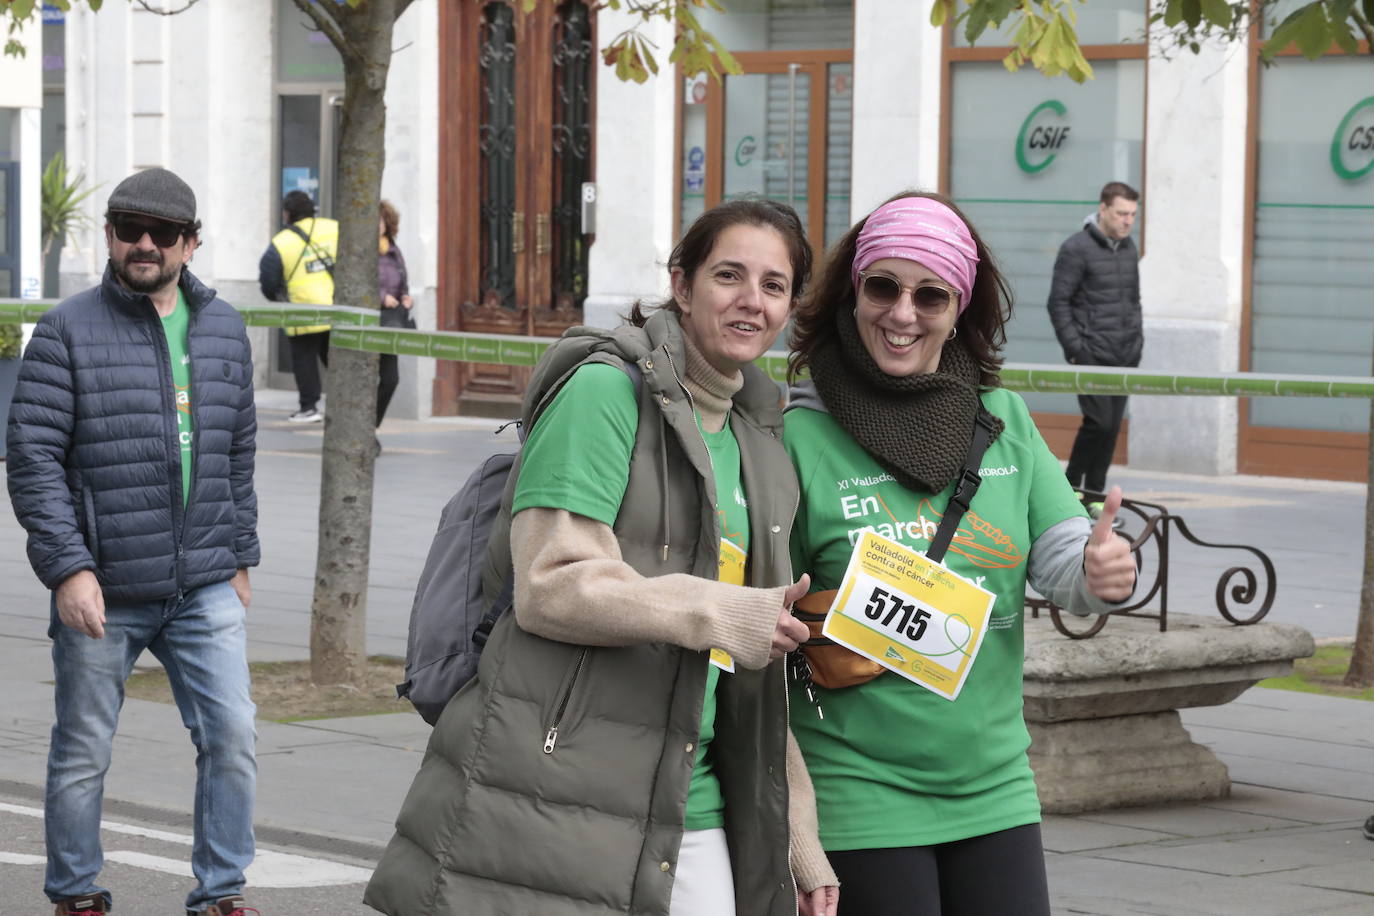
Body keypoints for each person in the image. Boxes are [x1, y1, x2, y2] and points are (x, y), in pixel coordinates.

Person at [364, 198, 840, 916]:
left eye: (774, 286)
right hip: (561, 789)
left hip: (695, 798)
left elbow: (749, 675)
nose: (752, 301)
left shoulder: (760, 438)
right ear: (682, 285)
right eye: (729, 276)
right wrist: (717, 609)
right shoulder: (605, 392)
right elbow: (552, 583)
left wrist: (798, 841)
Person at [783, 191, 1137, 915]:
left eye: (930, 295)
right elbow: (759, 608)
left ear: (959, 307)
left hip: (995, 782)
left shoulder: (1000, 415)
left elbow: (1062, 554)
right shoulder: (795, 433)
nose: (902, 313)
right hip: (857, 785)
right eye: (883, 286)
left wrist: (1101, 572)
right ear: (854, 289)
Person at [6, 168, 260, 916]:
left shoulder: (225, 329)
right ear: (110, 236)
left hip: (204, 584)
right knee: (83, 752)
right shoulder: (64, 330)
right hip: (102, 587)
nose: (143, 243)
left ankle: (221, 895)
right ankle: (76, 894)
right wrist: (68, 568)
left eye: (162, 232)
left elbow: (238, 449)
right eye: (127, 228)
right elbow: (32, 458)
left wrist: (240, 556)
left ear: (191, 243)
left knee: (233, 737)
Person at [1047, 181, 1143, 501]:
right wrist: (1076, 349)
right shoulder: (1076, 248)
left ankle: (1095, 499)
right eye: (1121, 213)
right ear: (1103, 209)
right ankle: (1070, 491)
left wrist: (1136, 341)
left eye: (1132, 214)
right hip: (1092, 354)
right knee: (1098, 424)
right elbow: (1058, 302)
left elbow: (1132, 300)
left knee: (1112, 428)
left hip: (1125, 354)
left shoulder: (1129, 249)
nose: (1127, 221)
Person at [259, 189, 337, 423]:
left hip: (302, 311)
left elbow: (269, 279)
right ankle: (343, 402)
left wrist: (277, 298)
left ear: (287, 214)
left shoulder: (281, 242)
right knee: (334, 358)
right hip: (336, 308)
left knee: (304, 360)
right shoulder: (334, 228)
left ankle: (309, 407)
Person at [375, 199, 413, 440]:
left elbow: (402, 281)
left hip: (390, 322)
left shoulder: (393, 250)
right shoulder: (360, 251)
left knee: (391, 379)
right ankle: (366, 433)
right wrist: (381, 297)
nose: (376, 225)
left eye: (379, 220)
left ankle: (371, 426)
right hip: (369, 321)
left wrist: (405, 297)